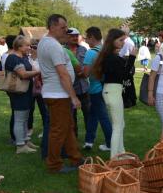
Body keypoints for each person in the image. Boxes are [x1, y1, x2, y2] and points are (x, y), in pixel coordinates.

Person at [38, 14, 84, 173]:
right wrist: (73, 97)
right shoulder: (53, 46)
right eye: (63, 27)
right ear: (52, 27)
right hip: (59, 94)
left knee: (67, 127)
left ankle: (75, 157)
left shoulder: (46, 42)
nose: (66, 30)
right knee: (58, 131)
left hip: (56, 93)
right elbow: (63, 74)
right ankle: (54, 164)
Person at [92, 29, 137, 157]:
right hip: (112, 92)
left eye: (124, 40)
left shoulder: (110, 56)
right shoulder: (111, 57)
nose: (123, 43)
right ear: (112, 41)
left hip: (112, 91)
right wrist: (132, 57)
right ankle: (114, 159)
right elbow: (125, 75)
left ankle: (121, 153)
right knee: (117, 127)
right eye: (121, 40)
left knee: (120, 125)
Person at [4, 36, 41, 154]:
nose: (29, 48)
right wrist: (39, 72)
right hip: (19, 93)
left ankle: (25, 140)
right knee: (20, 119)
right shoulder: (13, 58)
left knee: (25, 118)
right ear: (19, 47)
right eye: (27, 46)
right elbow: (23, 74)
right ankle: (20, 145)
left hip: (26, 92)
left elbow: (31, 68)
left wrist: (34, 71)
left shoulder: (23, 57)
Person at [82, 27, 112, 152]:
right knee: (93, 115)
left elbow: (85, 73)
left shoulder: (90, 52)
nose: (85, 40)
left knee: (102, 116)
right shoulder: (106, 50)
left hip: (96, 88)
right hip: (106, 86)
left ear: (92, 38)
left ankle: (110, 143)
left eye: (87, 38)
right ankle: (89, 141)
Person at [66, 28, 90, 139]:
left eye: (76, 36)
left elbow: (87, 66)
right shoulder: (62, 50)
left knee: (88, 114)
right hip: (70, 88)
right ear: (67, 37)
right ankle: (73, 139)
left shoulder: (83, 49)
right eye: (72, 36)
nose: (75, 38)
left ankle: (89, 139)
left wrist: (84, 73)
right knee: (71, 116)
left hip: (84, 87)